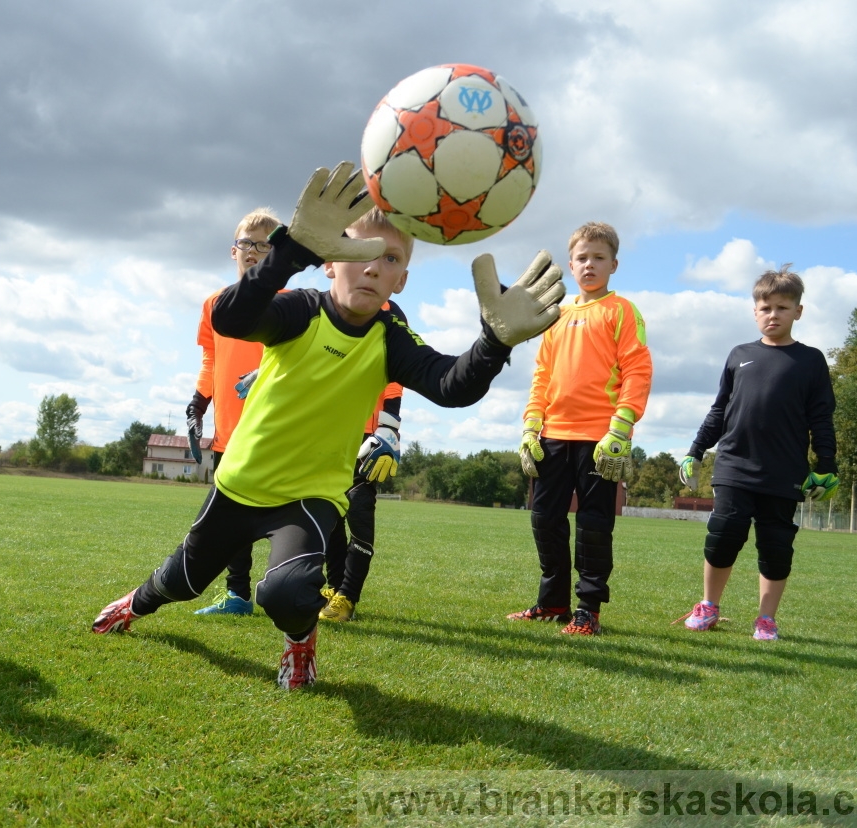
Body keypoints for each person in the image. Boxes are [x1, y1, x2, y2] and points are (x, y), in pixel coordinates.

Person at [93, 161, 565, 689]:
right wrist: (289, 252)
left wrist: (494, 342)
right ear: (330, 263)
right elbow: (231, 318)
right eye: (360, 253)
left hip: (310, 498)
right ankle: (134, 604)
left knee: (286, 592)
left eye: (390, 259)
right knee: (181, 581)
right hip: (241, 485)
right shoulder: (301, 311)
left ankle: (300, 644)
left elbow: (450, 385)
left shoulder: (389, 335)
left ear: (402, 280)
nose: (373, 269)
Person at [676, 266, 837, 641]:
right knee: (723, 534)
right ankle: (709, 606)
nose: (773, 315)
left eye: (782, 307)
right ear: (755, 311)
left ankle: (766, 620)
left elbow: (821, 419)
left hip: (785, 471)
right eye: (766, 308)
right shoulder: (740, 355)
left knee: (776, 546)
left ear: (798, 311)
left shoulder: (811, 361)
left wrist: (826, 465)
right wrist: (695, 451)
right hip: (734, 465)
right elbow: (719, 410)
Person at [509, 221, 652, 636]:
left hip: (599, 440)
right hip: (552, 436)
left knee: (593, 526)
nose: (590, 265)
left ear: (614, 265)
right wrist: (530, 427)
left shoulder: (622, 310)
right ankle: (552, 602)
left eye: (599, 258)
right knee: (544, 519)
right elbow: (542, 374)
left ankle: (588, 610)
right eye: (582, 258)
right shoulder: (556, 315)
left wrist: (621, 429)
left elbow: (638, 370)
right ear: (570, 265)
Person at [187, 208, 281, 616]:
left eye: (265, 245)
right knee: (230, 517)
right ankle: (238, 595)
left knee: (292, 511)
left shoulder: (292, 304)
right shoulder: (214, 304)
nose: (254, 250)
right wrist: (197, 403)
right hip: (229, 429)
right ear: (233, 250)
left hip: (278, 429)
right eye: (247, 243)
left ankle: (319, 590)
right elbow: (211, 359)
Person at [319, 381, 403, 623]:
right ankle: (335, 588)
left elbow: (395, 378)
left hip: (368, 432)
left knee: (358, 508)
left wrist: (390, 427)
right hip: (327, 426)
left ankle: (348, 596)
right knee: (329, 509)